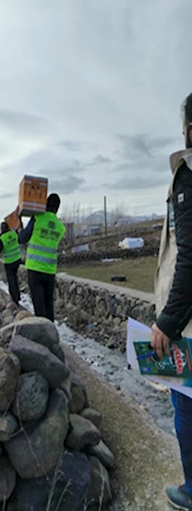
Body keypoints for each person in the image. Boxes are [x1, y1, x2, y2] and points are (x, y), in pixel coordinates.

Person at [151, 92, 192, 510]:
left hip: (187, 322)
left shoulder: (187, 172)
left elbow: (191, 257)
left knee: (186, 404)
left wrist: (167, 322)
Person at [18, 193, 65, 322]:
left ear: (45, 204)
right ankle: (51, 336)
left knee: (39, 307)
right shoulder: (60, 227)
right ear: (57, 208)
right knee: (49, 305)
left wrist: (19, 225)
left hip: (35, 269)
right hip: (49, 270)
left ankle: (42, 338)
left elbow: (22, 238)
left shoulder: (37, 218)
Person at [0, 221, 22, 304]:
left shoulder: (2, 238)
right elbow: (19, 230)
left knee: (11, 280)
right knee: (15, 278)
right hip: (17, 259)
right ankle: (18, 296)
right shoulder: (14, 233)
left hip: (9, 262)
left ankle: (15, 300)